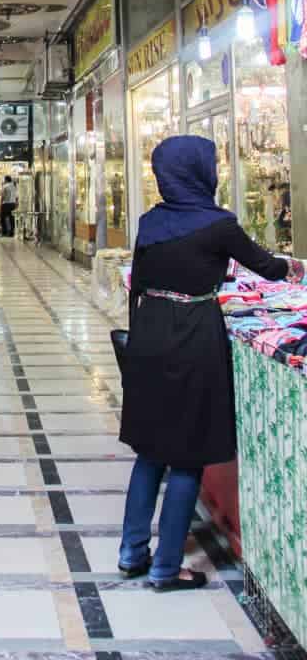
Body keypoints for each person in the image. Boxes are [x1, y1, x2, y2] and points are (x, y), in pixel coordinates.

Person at [118, 135, 301, 592]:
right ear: (200, 171)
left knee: (151, 452)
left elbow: (139, 279)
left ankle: (131, 551)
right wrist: (294, 269)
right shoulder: (218, 224)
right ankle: (165, 567)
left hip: (149, 332)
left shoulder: (150, 221)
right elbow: (268, 267)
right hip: (192, 333)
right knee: (188, 454)